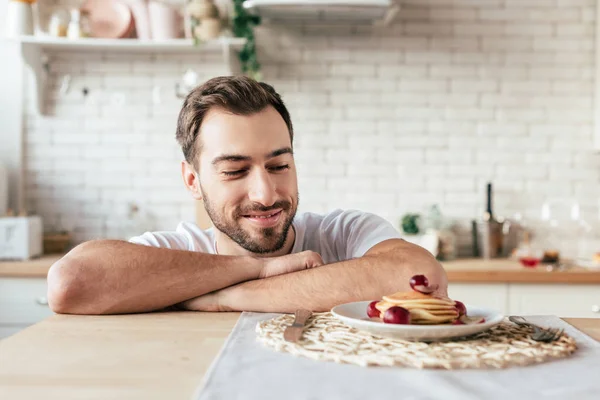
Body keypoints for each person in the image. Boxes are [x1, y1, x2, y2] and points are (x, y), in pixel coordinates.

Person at [47, 76, 448, 315]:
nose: (266, 193)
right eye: (235, 171)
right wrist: (258, 269)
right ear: (192, 181)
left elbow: (419, 277)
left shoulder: (345, 233)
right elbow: (69, 283)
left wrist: (229, 297)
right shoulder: (173, 252)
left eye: (279, 166)